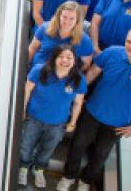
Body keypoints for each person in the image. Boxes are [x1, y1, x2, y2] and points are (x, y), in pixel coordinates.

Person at [57, 29, 131, 191]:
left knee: (100, 155)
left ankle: (86, 180)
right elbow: (94, 71)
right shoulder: (112, 53)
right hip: (92, 112)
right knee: (78, 145)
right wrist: (78, 97)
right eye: (129, 42)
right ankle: (68, 176)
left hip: (117, 125)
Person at [18, 45, 86, 188]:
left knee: (48, 148)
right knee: (26, 144)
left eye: (69, 57)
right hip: (34, 118)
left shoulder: (78, 79)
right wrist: (22, 109)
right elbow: (27, 90)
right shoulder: (39, 70)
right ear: (55, 58)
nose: (65, 60)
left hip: (58, 123)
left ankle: (38, 169)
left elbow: (78, 103)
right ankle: (23, 167)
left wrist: (73, 122)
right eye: (61, 56)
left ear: (74, 60)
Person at [28, 0, 93, 69]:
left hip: (64, 74)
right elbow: (32, 48)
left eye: (72, 19)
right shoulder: (44, 28)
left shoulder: (84, 40)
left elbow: (86, 63)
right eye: (64, 17)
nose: (67, 21)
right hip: (39, 70)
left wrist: (72, 75)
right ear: (58, 16)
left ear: (77, 21)